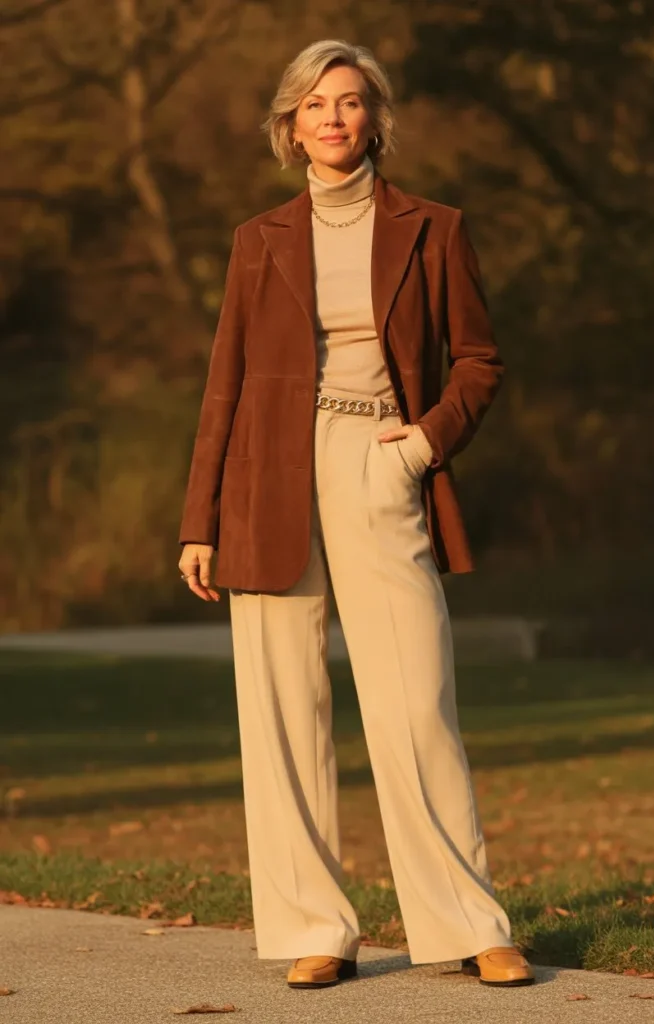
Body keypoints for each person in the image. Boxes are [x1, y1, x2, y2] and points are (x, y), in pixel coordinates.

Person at [177, 38, 534, 991]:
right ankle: (314, 928)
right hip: (265, 477)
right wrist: (197, 518)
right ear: (289, 128)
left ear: (374, 118)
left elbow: (477, 362)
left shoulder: (434, 227)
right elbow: (226, 382)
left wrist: (421, 445)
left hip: (381, 463)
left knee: (416, 702)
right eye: (314, 105)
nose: (333, 118)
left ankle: (468, 920)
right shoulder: (259, 239)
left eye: (349, 102)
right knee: (283, 708)